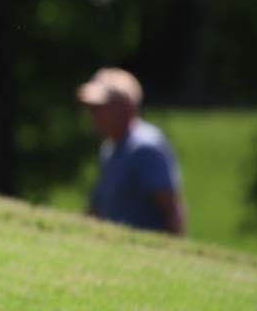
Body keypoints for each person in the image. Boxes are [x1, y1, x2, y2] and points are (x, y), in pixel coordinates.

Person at [77, 67, 185, 235]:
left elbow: (171, 211)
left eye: (100, 108)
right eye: (92, 108)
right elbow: (96, 209)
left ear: (125, 107)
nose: (93, 115)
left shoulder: (145, 147)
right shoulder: (109, 148)